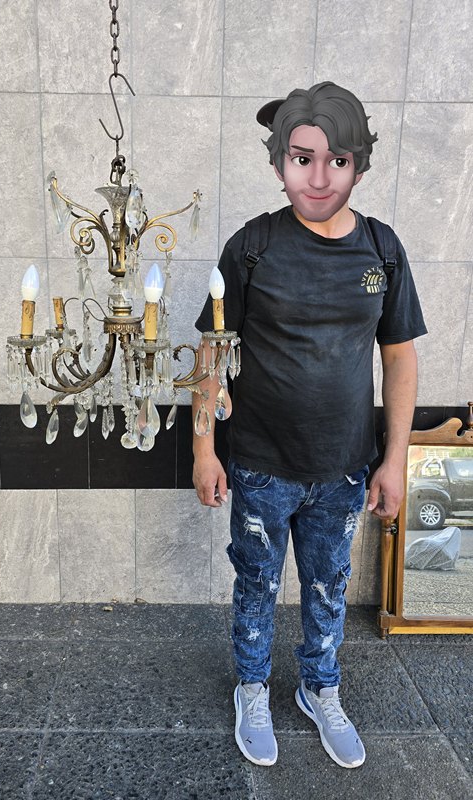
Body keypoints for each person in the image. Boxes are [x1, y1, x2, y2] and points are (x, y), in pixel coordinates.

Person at [193, 81, 427, 769]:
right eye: (302, 159)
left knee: (328, 588)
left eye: (337, 160)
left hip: (344, 467)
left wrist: (394, 459)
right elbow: (210, 353)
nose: (319, 178)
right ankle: (253, 687)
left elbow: (399, 357)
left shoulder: (381, 250)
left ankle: (320, 688)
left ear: (359, 166)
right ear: (279, 164)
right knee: (256, 585)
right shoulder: (252, 247)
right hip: (260, 464)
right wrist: (205, 449)